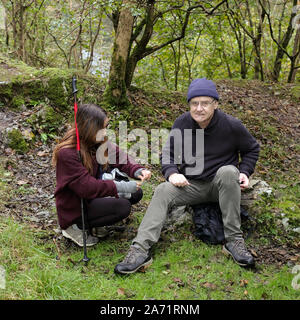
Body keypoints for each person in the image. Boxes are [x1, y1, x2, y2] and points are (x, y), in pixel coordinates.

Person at [114, 78, 260, 274]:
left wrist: (245, 171)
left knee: (228, 171)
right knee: (162, 190)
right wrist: (172, 173)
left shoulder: (231, 125)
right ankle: (140, 250)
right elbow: (168, 154)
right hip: (193, 186)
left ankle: (234, 241)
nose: (199, 108)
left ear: (215, 104)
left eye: (205, 103)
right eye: (194, 103)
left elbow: (252, 149)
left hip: (222, 186)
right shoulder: (182, 123)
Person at [52, 103, 151, 247]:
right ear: (89, 128)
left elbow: (119, 156)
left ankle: (98, 222)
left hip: (93, 196)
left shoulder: (98, 140)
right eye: (101, 128)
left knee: (136, 193)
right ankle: (74, 227)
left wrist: (137, 170)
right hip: (76, 206)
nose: (105, 132)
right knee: (123, 207)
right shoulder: (67, 153)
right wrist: (121, 186)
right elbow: (87, 187)